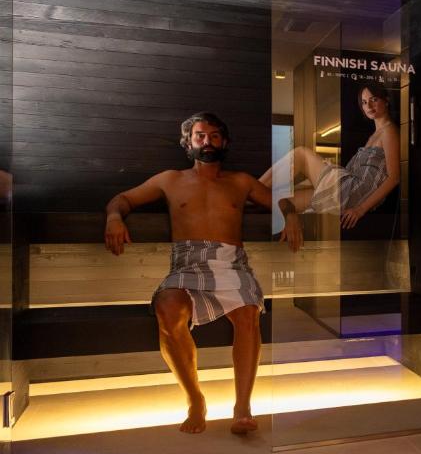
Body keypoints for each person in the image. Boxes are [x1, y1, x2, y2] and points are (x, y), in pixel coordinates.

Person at [104, 112, 299, 435]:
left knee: (249, 312)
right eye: (200, 136)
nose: (207, 141)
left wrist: (290, 217)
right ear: (189, 142)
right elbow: (123, 199)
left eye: (214, 136)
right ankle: (195, 399)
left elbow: (281, 202)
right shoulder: (170, 179)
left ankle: (243, 407)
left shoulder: (241, 181)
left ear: (224, 142)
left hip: (231, 262)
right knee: (167, 307)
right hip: (187, 263)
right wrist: (114, 217)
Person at [262, 82, 400, 245]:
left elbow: (394, 177)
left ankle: (250, 189)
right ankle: (252, 198)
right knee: (285, 201)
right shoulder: (375, 134)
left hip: (354, 193)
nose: (368, 105)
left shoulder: (389, 131)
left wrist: (360, 209)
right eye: (364, 102)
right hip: (350, 192)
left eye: (373, 99)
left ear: (386, 100)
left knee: (301, 153)